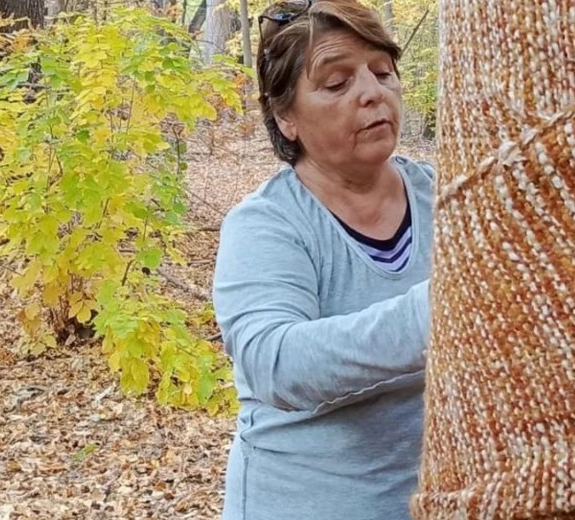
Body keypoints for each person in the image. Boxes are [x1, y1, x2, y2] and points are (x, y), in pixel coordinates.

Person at [211, 0, 435, 518]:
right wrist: (440, 311)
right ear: (286, 117)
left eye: (383, 72)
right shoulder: (267, 223)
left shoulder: (446, 199)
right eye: (337, 83)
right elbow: (275, 362)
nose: (372, 92)